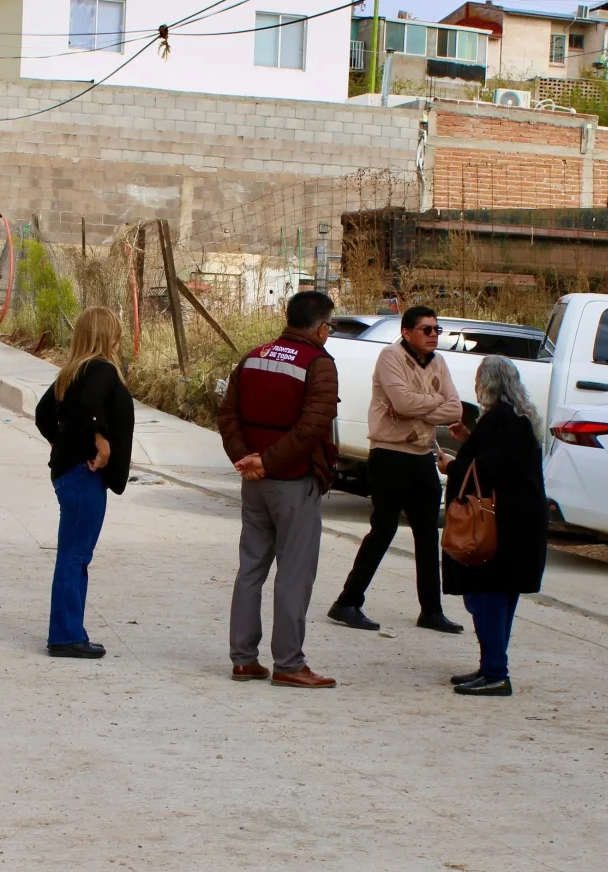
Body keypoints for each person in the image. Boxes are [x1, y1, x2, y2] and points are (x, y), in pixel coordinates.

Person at [218, 290, 339, 689]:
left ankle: (244, 660)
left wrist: (246, 459)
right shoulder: (318, 364)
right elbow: (311, 429)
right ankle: (289, 663)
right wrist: (267, 461)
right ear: (321, 327)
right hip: (293, 481)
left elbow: (228, 413)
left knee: (251, 568)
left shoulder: (253, 356)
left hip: (255, 482)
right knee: (294, 574)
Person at [327, 305, 466, 634]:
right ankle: (347, 602)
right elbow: (402, 404)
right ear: (407, 332)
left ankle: (431, 610)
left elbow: (456, 409)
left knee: (427, 534)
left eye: (437, 330)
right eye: (426, 330)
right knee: (383, 529)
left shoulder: (439, 362)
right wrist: (431, 403)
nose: (433, 335)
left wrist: (418, 406)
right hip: (390, 454)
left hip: (421, 455)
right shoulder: (391, 358)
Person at [442, 355, 546, 697]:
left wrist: (452, 465)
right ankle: (491, 665)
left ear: (486, 384)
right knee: (502, 598)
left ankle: (496, 672)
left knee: (485, 594)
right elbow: (500, 460)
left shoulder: (500, 420)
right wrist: (469, 439)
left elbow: (488, 469)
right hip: (521, 523)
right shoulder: (518, 417)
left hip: (500, 525)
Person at [34, 306, 134, 659]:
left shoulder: (71, 373)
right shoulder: (103, 370)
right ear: (108, 335)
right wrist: (99, 440)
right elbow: (93, 407)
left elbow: (43, 415)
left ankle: (68, 630)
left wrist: (64, 444)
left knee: (73, 555)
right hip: (84, 475)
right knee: (75, 556)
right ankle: (65, 635)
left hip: (68, 473)